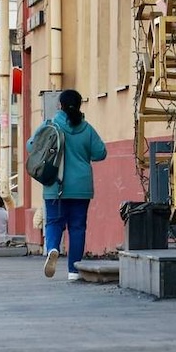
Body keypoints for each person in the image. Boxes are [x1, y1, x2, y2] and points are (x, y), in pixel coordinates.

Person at [29, 88, 106, 281]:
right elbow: (100, 153)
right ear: (80, 105)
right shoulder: (87, 129)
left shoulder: (50, 125)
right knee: (77, 227)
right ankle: (73, 270)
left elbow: (31, 146)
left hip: (55, 185)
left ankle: (53, 248)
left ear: (59, 106)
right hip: (81, 187)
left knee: (54, 222)